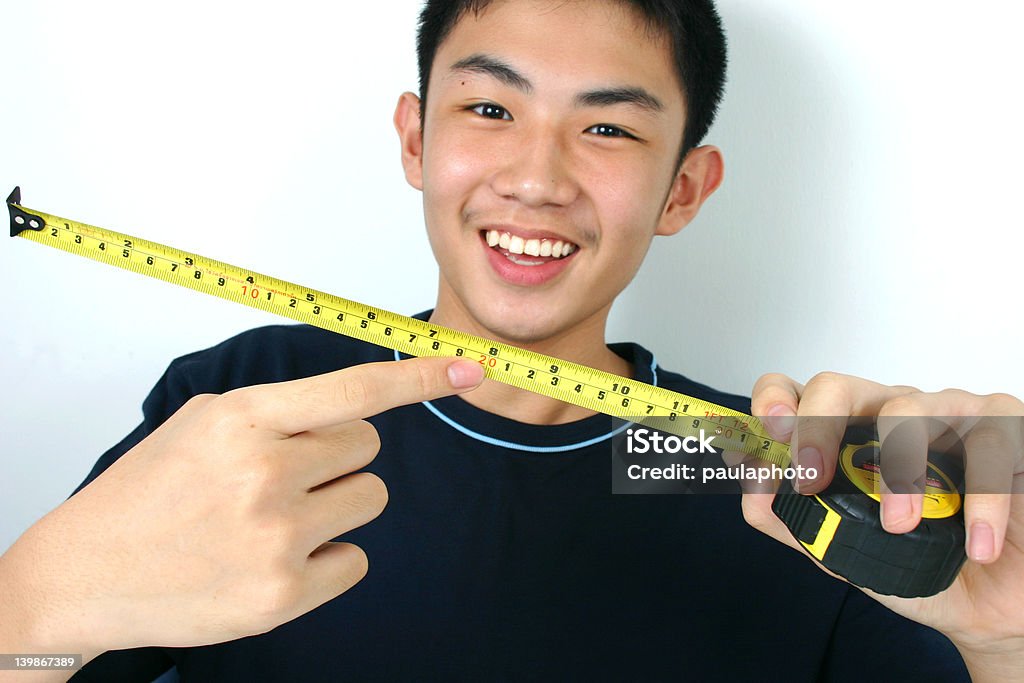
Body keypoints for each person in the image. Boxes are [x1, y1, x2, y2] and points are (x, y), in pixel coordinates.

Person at [1, 0, 1022, 680]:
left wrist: (1003, 639)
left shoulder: (777, 467)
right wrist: (28, 604)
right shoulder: (247, 394)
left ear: (683, 189)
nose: (536, 176)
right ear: (415, 138)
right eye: (489, 107)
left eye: (608, 127)